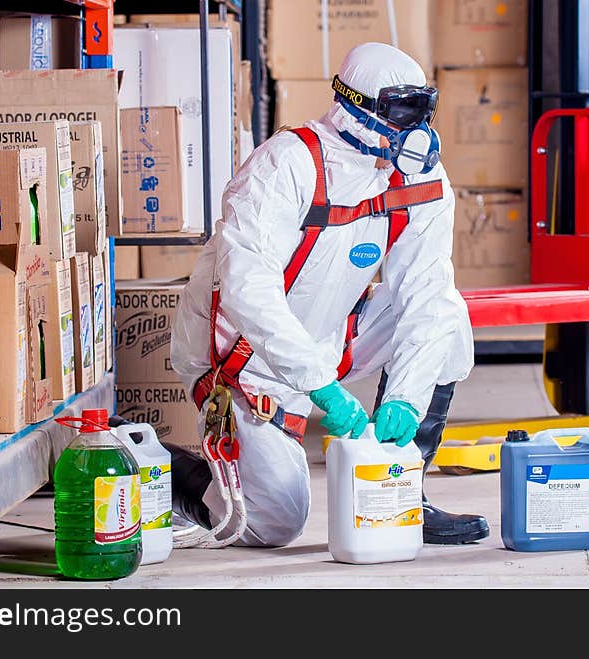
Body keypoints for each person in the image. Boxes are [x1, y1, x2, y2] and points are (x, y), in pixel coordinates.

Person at [166, 41, 485, 547]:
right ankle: (165, 471)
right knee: (277, 522)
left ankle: (406, 494)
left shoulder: (419, 177)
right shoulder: (285, 167)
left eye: (424, 112)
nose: (418, 132)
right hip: (242, 361)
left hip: (330, 332)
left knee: (448, 316)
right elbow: (249, 291)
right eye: (404, 113)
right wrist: (319, 385)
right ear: (356, 108)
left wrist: (407, 396)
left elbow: (425, 290)